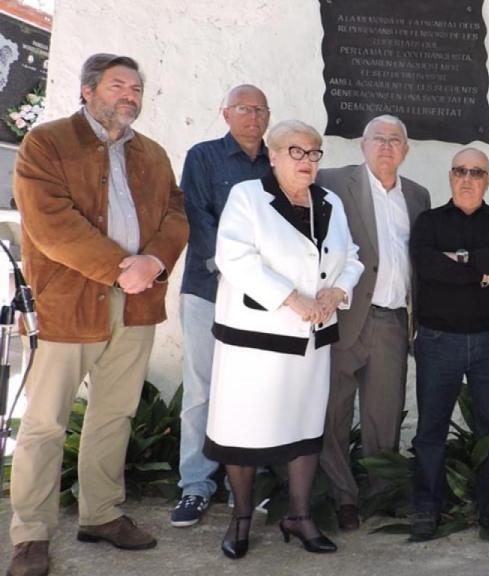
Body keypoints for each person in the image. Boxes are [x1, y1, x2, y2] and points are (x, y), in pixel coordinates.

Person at [7, 53, 188, 576]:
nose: (129, 95)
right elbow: (49, 222)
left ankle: (101, 514)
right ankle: (31, 534)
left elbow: (175, 214)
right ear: (87, 90)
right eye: (117, 85)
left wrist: (153, 261)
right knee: (44, 424)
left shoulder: (152, 154)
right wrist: (118, 268)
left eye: (136, 88)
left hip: (138, 303)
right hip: (70, 301)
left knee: (114, 414)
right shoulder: (48, 142)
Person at [203, 119, 363, 559]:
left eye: (314, 153)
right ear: (272, 155)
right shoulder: (248, 198)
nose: (308, 161)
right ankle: (241, 519)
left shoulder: (329, 201)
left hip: (309, 343)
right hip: (255, 343)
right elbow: (233, 258)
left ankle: (299, 516)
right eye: (297, 151)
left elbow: (352, 256)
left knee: (304, 428)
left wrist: (338, 289)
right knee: (243, 430)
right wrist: (292, 298)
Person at [315, 115, 430, 530]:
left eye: (394, 139)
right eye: (377, 138)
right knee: (335, 410)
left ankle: (381, 495)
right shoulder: (331, 180)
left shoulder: (418, 196)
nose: (385, 145)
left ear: (405, 150)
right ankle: (342, 496)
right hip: (345, 317)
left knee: (384, 414)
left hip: (393, 321)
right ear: (362, 146)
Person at [408, 148, 489, 541]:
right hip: (438, 341)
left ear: (488, 180)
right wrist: (481, 270)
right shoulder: (429, 222)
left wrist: (458, 261)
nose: (468, 178)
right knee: (430, 429)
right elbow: (427, 266)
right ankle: (427, 507)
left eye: (477, 172)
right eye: (460, 170)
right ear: (450, 176)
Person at [172, 84, 271, 527]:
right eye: (243, 108)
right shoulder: (203, 156)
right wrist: (237, 268)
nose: (252, 116)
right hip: (209, 290)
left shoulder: (278, 161)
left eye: (259, 109)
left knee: (255, 391)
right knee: (201, 391)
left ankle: (244, 485)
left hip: (264, 299)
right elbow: (197, 215)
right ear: (225, 113)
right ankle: (196, 485)